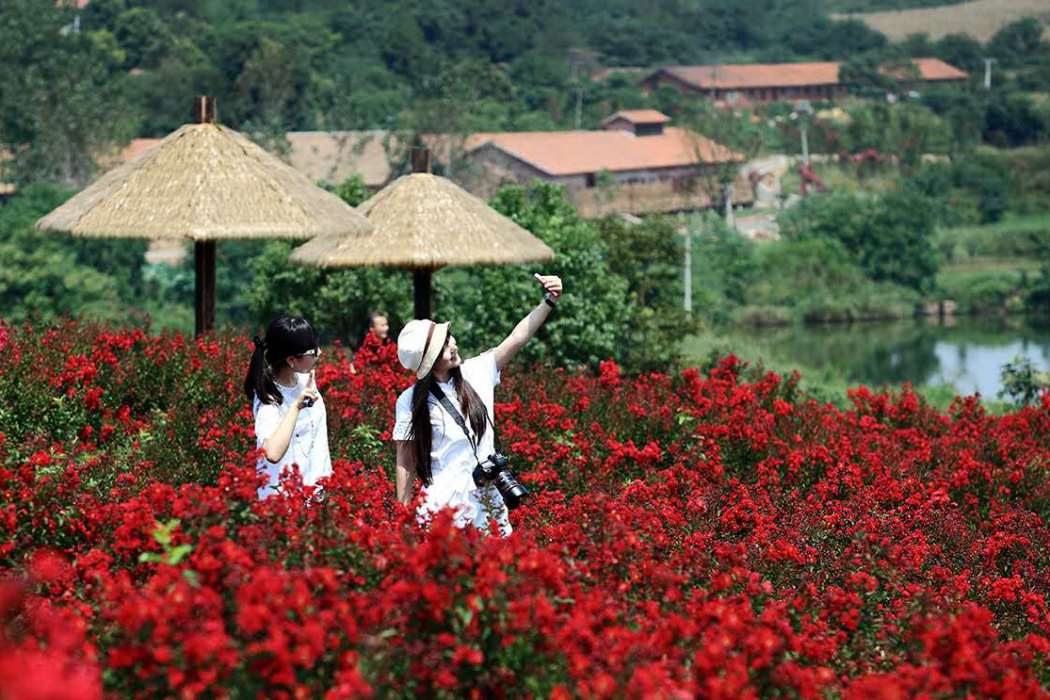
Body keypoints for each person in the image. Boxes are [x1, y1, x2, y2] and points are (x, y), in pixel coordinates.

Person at [392, 273, 563, 536]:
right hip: (443, 507)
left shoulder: (477, 372)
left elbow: (517, 338)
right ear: (428, 362)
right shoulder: (410, 401)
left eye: (448, 338)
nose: (451, 345)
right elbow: (405, 461)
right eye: (442, 347)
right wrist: (401, 518)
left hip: (487, 499)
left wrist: (549, 301)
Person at [243, 316, 331, 500]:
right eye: (313, 351)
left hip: (314, 497)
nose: (319, 353)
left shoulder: (303, 381)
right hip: (284, 505)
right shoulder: (269, 398)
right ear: (291, 360)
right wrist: (295, 407)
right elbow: (272, 453)